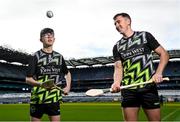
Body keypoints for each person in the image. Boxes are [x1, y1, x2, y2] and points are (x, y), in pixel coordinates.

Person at [111, 13, 169, 121]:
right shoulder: (117, 47)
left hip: (148, 87)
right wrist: (116, 82)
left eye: (118, 22)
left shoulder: (145, 36)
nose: (117, 25)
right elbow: (118, 68)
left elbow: (164, 54)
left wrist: (158, 73)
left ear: (128, 21)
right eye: (115, 24)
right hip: (128, 89)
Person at [26, 28, 71, 122]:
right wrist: (42, 84)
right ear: (41, 39)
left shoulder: (59, 57)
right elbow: (28, 79)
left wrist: (67, 87)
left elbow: (67, 73)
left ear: (54, 39)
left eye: (51, 34)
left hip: (53, 98)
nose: (49, 36)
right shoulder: (36, 56)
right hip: (38, 98)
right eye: (46, 34)